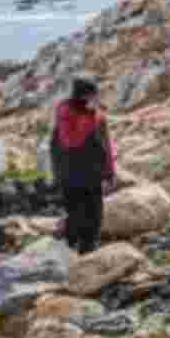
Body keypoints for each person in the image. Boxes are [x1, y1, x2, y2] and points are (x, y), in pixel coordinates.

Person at [49, 77, 116, 254]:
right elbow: (70, 141)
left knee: (95, 216)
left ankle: (89, 253)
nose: (95, 99)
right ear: (82, 96)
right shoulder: (65, 111)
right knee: (76, 215)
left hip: (92, 173)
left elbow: (106, 145)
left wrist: (109, 173)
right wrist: (90, 118)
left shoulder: (97, 115)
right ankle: (68, 251)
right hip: (70, 173)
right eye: (91, 95)